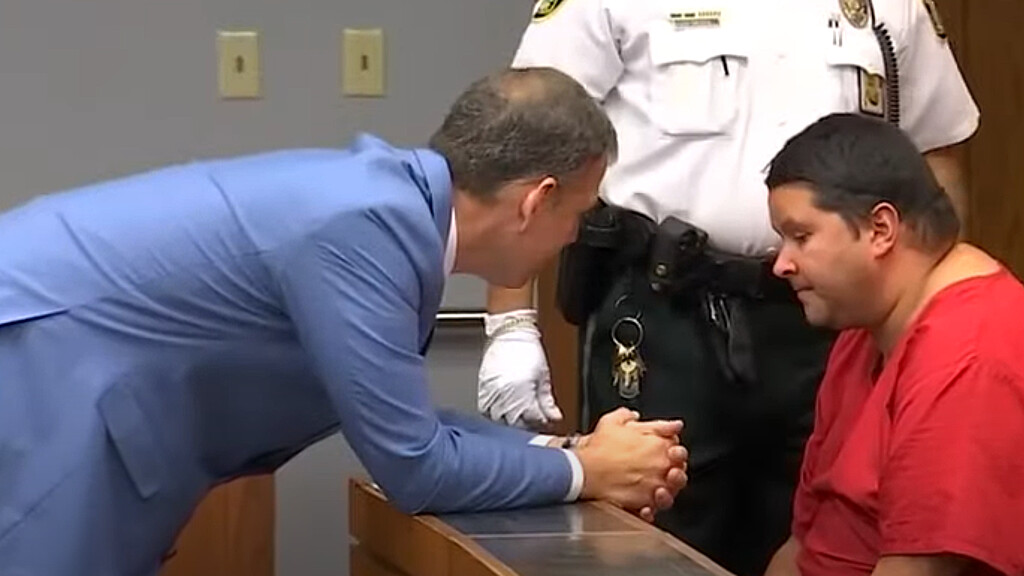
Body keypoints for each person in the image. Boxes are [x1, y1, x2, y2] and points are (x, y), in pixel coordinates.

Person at [0, 67, 688, 576]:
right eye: (579, 214)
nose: (574, 237)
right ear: (537, 202)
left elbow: (404, 420)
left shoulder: (388, 211)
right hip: (42, 363)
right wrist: (586, 472)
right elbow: (415, 466)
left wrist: (570, 450)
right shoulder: (366, 231)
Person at [476, 1, 979, 574]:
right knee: (644, 540)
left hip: (826, 325)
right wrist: (509, 321)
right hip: (663, 313)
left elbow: (935, 151)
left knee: (820, 531)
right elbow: (532, 140)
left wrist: (936, 318)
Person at [762, 112, 1024, 576]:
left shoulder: (967, 358)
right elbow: (804, 544)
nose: (781, 264)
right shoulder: (864, 324)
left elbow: (918, 570)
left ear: (881, 229)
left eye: (801, 236)